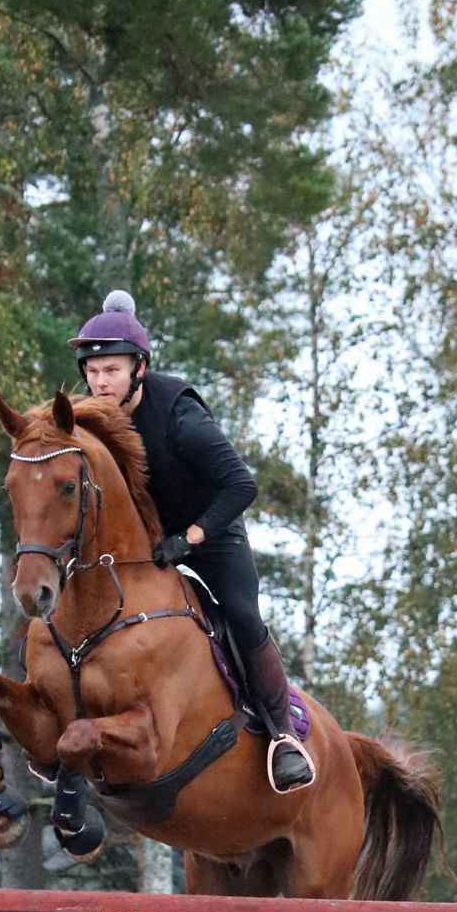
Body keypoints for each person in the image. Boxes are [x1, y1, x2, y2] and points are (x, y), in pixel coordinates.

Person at [69, 290, 313, 793]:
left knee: (241, 613)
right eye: (92, 371)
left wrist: (191, 537)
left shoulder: (180, 416)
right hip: (149, 538)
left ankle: (283, 735)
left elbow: (242, 485)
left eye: (111, 370)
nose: (100, 382)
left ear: (139, 369)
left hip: (212, 529)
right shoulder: (89, 417)